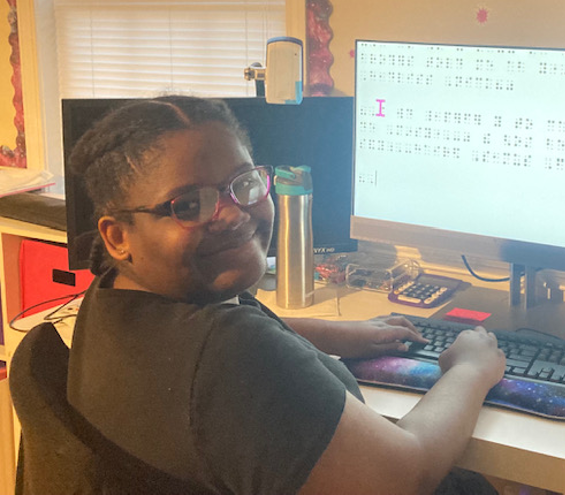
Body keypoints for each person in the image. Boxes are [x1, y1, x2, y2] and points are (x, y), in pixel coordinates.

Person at [66, 95, 506, 494]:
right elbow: (404, 474)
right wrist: (470, 369)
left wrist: (336, 334)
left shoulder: (114, 305)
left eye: (244, 183)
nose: (233, 213)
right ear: (118, 235)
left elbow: (207, 352)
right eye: (188, 205)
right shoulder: (232, 355)